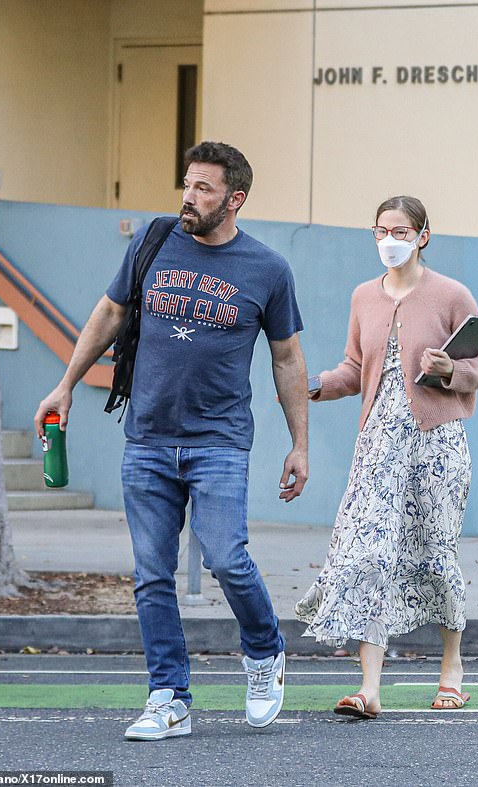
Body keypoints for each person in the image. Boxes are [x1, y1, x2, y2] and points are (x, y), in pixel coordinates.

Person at [34, 141, 308, 740]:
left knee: (227, 559)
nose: (189, 196)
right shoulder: (153, 241)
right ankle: (169, 696)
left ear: (234, 199)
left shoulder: (267, 269)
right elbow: (108, 315)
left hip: (220, 441)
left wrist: (299, 443)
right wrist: (66, 386)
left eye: (204, 188)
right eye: (187, 183)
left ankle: (264, 651)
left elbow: (287, 360)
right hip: (149, 438)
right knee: (152, 574)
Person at [295, 195, 478, 719]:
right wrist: (314, 386)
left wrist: (451, 369)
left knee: (437, 552)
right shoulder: (364, 295)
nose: (391, 240)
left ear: (423, 235)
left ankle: (452, 672)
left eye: (402, 231)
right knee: (371, 553)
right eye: (382, 230)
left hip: (437, 442)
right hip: (378, 444)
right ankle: (369, 687)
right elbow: (353, 366)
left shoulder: (452, 294)